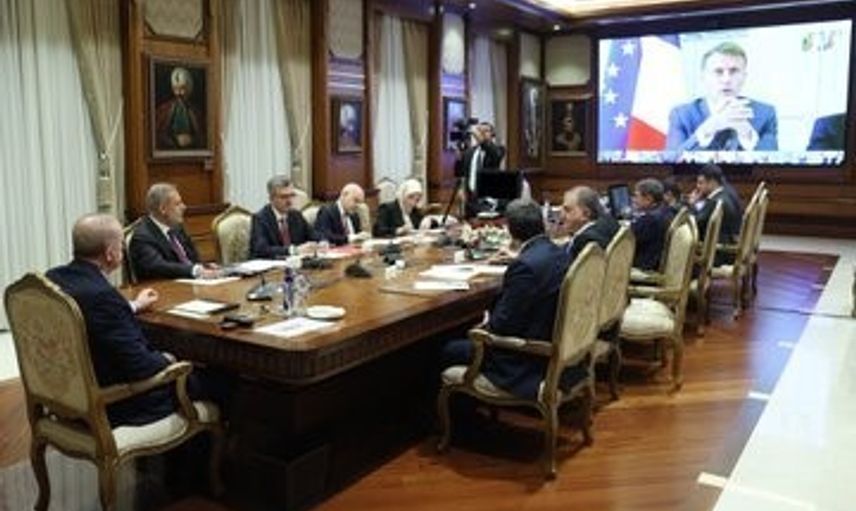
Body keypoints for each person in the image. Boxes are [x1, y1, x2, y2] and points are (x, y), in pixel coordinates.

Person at [46, 214, 220, 426]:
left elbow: (88, 315)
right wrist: (169, 359)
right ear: (110, 253)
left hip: (67, 395)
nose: (122, 249)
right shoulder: (103, 296)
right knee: (223, 379)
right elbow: (140, 366)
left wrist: (133, 305)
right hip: (118, 405)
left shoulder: (54, 279)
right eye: (120, 244)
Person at [440, 199, 583, 400]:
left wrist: (484, 322)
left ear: (510, 229)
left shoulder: (524, 267)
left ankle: (458, 414)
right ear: (541, 223)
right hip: (559, 349)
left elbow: (502, 325)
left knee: (444, 348)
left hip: (524, 362)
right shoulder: (558, 253)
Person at [666, 42, 777, 153]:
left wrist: (746, 134)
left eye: (734, 71)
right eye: (718, 72)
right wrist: (708, 128)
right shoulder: (682, 115)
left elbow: (771, 161)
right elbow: (671, 159)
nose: (726, 79)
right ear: (704, 77)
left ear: (744, 77)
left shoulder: (765, 113)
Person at [129, 183, 219, 280]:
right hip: (164, 287)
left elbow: (193, 259)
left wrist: (205, 266)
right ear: (163, 209)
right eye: (177, 204)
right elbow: (158, 267)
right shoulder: (143, 237)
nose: (184, 207)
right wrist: (194, 270)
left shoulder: (177, 228)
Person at [250, 175, 318, 258]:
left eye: (291, 195)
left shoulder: (296, 215)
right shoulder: (261, 219)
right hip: (273, 264)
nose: (289, 201)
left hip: (297, 263)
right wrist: (293, 250)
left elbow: (314, 236)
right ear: (271, 198)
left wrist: (322, 242)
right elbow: (261, 249)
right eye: (284, 197)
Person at [689, 164, 743, 264]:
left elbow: (695, 224)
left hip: (718, 254)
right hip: (730, 247)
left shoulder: (715, 202)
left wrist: (691, 205)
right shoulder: (728, 192)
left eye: (701, 183)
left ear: (712, 182)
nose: (698, 186)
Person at [457, 122, 506, 218]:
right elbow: (463, 173)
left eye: (486, 131)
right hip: (470, 200)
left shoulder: (498, 149)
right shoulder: (469, 152)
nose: (482, 133)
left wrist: (481, 139)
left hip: (487, 200)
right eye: (480, 131)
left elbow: (495, 155)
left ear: (492, 134)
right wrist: (461, 189)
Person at [560, 186, 620, 260]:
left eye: (567, 210)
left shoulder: (584, 241)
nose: (562, 215)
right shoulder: (608, 222)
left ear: (586, 213)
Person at [155, 67, 205, 150]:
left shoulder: (196, 112)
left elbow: (203, 138)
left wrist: (192, 140)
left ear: (189, 88)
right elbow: (156, 137)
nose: (178, 93)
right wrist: (174, 140)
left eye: (182, 88)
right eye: (175, 89)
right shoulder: (163, 110)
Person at [630, 179, 674, 271]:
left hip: (645, 267)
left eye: (637, 196)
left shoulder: (650, 220)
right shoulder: (666, 211)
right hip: (658, 262)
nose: (634, 200)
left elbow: (628, 240)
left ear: (648, 199)